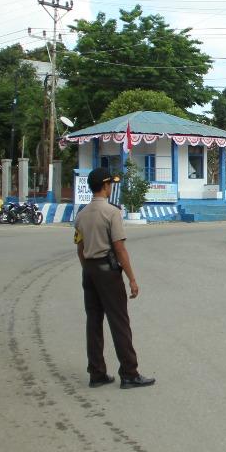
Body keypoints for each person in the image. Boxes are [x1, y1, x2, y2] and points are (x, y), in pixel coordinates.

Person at [73, 167, 154, 389]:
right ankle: (129, 373)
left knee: (94, 322)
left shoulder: (81, 215)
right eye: (110, 184)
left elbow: (80, 248)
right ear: (105, 186)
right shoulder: (111, 213)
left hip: (89, 271)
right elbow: (119, 249)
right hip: (108, 273)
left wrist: (89, 269)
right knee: (119, 322)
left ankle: (97, 372)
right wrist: (132, 279)